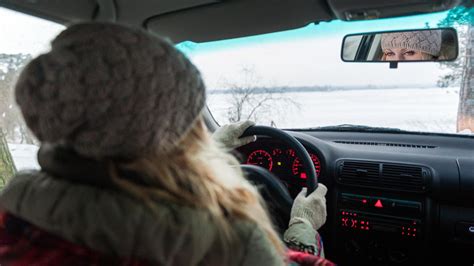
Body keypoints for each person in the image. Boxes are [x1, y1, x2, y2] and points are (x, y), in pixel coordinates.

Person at [0, 23, 333, 265]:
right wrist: (303, 226)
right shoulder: (226, 244)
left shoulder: (13, 210)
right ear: (176, 136)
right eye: (190, 121)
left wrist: (213, 149)